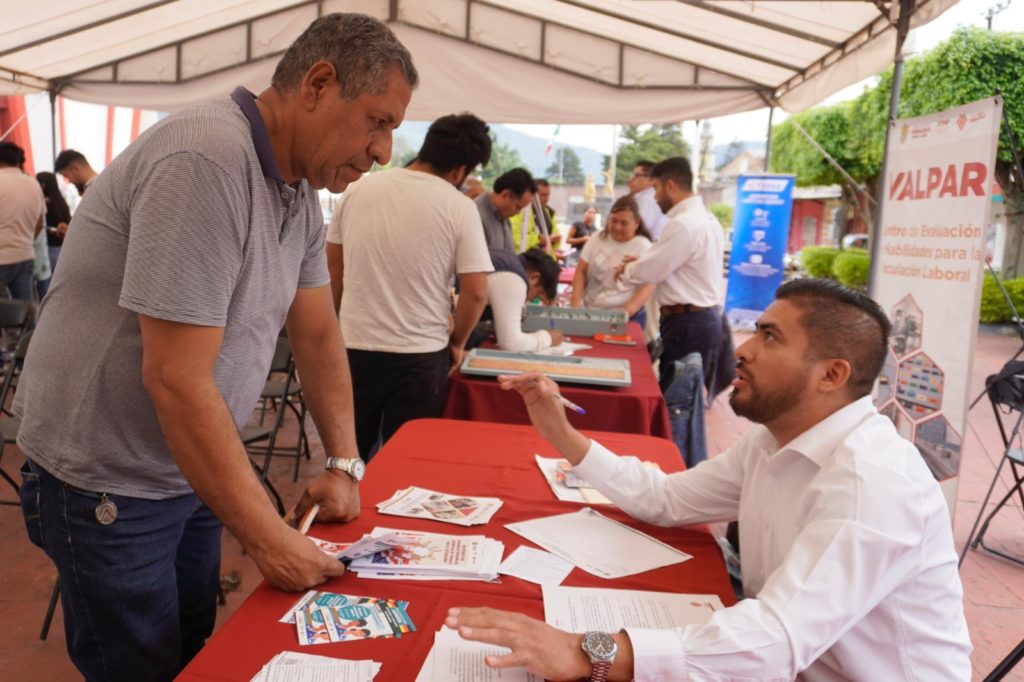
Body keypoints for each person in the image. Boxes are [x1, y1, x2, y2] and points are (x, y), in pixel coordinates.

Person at [16, 13, 417, 681]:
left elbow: (318, 332)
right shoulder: (207, 159)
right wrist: (267, 538)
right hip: (110, 482)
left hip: (189, 466)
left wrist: (345, 462)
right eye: (378, 122)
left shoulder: (297, 191)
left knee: (192, 647)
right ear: (318, 84)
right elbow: (175, 377)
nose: (382, 150)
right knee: (142, 666)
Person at [447, 279, 972, 681]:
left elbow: (775, 639)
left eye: (770, 337)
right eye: (756, 330)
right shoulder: (772, 441)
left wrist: (587, 650)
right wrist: (562, 435)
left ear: (831, 375)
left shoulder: (871, 484)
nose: (742, 350)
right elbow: (666, 499)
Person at [327, 113, 493, 461]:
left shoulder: (358, 190)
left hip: (354, 347)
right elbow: (477, 293)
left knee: (347, 458)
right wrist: (457, 342)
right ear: (461, 169)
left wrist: (333, 331)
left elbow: (332, 271)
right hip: (421, 354)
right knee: (407, 462)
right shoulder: (460, 206)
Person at [614, 157, 724, 385]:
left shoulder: (684, 223)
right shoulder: (706, 218)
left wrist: (628, 269)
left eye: (656, 188)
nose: (654, 197)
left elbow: (652, 271)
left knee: (679, 398)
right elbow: (675, 263)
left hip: (688, 324)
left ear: (670, 186)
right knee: (686, 396)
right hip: (698, 321)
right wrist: (643, 261)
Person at [570, 195, 654, 328]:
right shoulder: (597, 238)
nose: (617, 227)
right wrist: (575, 303)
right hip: (590, 312)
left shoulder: (644, 247)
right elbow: (581, 270)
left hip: (627, 317)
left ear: (636, 223)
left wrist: (624, 312)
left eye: (624, 223)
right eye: (614, 221)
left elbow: (648, 286)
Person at [487, 247, 564, 352]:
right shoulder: (515, 280)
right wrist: (548, 338)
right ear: (534, 278)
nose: (531, 300)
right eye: (537, 295)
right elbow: (511, 343)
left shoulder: (510, 262)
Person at [0, 141, 45, 302]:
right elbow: (40, 222)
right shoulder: (33, 183)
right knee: (24, 308)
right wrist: (25, 240)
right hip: (25, 255)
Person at [475, 168, 536, 253]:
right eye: (518, 207)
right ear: (505, 195)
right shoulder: (476, 215)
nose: (518, 213)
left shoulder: (503, 216)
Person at [508, 178, 559, 254]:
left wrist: (555, 240)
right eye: (543, 195)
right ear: (532, 194)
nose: (546, 198)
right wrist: (538, 239)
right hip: (525, 257)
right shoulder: (519, 212)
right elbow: (514, 238)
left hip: (545, 258)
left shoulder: (550, 213)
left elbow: (555, 236)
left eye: (548, 194)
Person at [36, 171, 71, 272]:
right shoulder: (61, 201)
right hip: (62, 247)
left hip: (49, 248)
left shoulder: (44, 203)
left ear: (43, 185)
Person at [628, 160, 667, 240]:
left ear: (650, 179)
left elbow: (637, 229)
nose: (630, 180)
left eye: (636, 176)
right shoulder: (642, 198)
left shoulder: (649, 199)